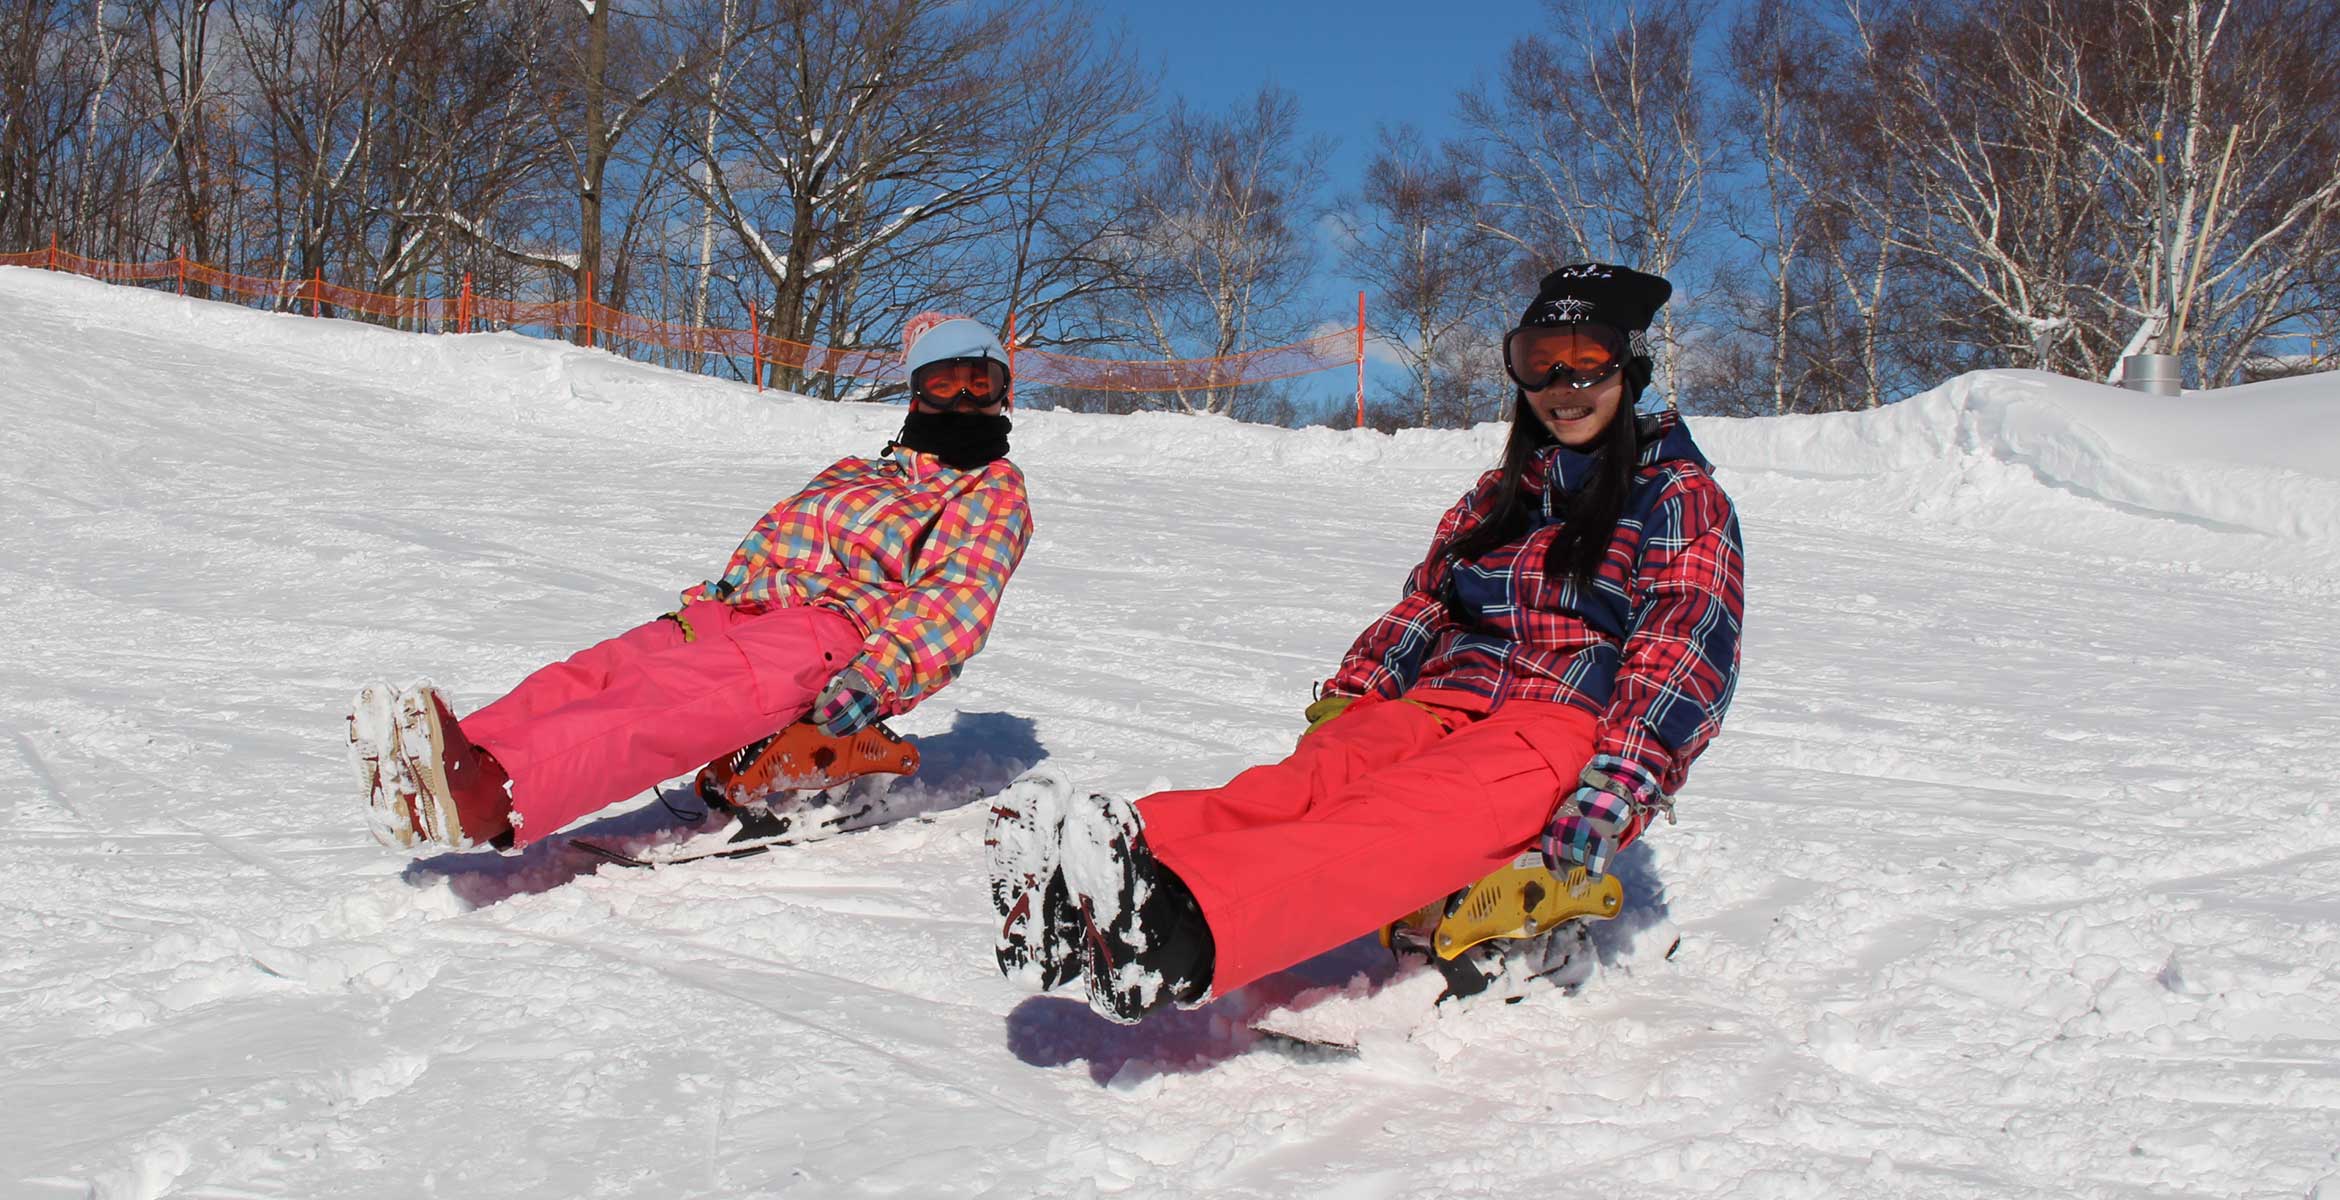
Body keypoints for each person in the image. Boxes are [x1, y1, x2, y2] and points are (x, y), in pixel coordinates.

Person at [987, 264, 1743, 1023]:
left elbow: (1685, 645)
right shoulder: (1499, 494)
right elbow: (1427, 602)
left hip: (1559, 722)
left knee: (1396, 813)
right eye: (1539, 357)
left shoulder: (1675, 495)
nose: (1562, 381)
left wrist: (1621, 780)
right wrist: (1361, 689)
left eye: (1590, 356)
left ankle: (1177, 932)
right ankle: (1082, 889)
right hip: (1441, 697)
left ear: (1632, 365)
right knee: (1304, 783)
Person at [350, 312, 1034, 853]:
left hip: (831, 632)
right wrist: (716, 601)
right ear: (917, 389)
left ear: (1005, 391)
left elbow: (958, 597)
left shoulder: (990, 490)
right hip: (743, 608)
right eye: (948, 380)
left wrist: (874, 680)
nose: (968, 397)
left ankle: (494, 795)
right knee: (594, 672)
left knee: (661, 700)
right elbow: (775, 537)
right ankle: (449, 763)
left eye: (984, 381)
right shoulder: (860, 470)